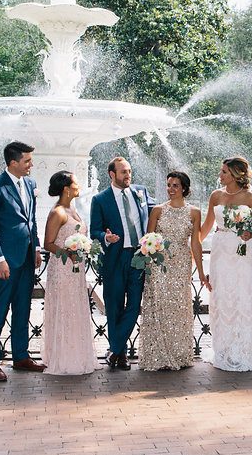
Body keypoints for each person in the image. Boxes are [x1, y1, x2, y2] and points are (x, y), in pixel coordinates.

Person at [0, 141, 46, 382]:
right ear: (13, 162)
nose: (31, 165)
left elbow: (31, 220)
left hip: (27, 258)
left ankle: (21, 356)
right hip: (5, 261)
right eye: (27, 161)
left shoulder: (30, 184)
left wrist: (36, 248)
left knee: (22, 308)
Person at [139, 171, 209, 371]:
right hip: (159, 263)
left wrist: (201, 273)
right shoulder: (158, 210)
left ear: (184, 188)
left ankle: (179, 354)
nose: (170, 189)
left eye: (175, 185)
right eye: (168, 185)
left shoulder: (194, 212)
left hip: (181, 264)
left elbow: (195, 243)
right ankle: (158, 354)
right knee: (159, 306)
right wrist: (150, 259)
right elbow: (148, 239)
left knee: (179, 307)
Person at [199, 157, 252, 371]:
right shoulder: (215, 196)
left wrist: (249, 233)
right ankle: (223, 349)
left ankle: (242, 350)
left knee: (242, 296)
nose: (220, 175)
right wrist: (190, 243)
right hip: (220, 250)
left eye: (224, 172)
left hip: (243, 251)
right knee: (221, 297)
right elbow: (206, 227)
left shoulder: (251, 198)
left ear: (236, 174)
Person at [90, 157, 151, 370]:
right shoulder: (100, 200)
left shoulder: (140, 192)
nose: (128, 176)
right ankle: (121, 353)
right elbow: (94, 230)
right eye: (123, 172)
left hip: (138, 257)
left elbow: (154, 213)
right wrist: (105, 237)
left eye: (129, 171)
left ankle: (114, 348)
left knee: (134, 306)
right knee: (114, 306)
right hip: (115, 259)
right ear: (111, 174)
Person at [41, 170, 97, 375]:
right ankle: (63, 357)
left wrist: (84, 248)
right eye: (75, 182)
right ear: (66, 188)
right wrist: (68, 252)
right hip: (62, 268)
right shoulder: (58, 213)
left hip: (77, 268)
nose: (79, 185)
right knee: (65, 309)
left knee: (76, 308)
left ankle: (78, 354)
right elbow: (47, 243)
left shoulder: (73, 209)